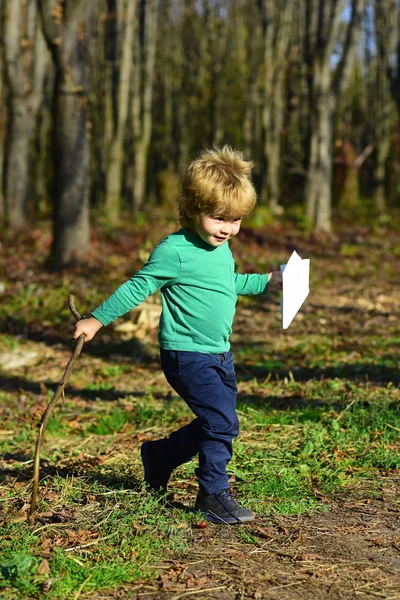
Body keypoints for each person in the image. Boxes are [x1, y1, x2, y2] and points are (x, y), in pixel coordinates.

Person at [74, 146, 283, 524]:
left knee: (217, 421)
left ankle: (160, 456)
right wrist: (97, 319)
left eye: (235, 220)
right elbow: (137, 287)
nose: (227, 228)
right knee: (222, 423)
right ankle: (212, 495)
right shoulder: (175, 250)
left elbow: (228, 283)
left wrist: (270, 280)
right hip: (186, 355)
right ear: (192, 207)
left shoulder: (221, 248)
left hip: (220, 352)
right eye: (219, 218)